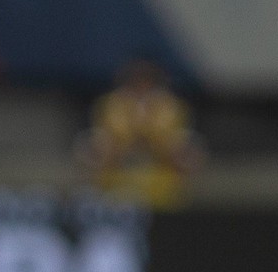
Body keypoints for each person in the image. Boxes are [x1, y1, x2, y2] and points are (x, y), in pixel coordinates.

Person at [78, 58, 206, 209]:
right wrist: (129, 140)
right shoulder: (110, 104)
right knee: (96, 146)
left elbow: (174, 140)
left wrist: (151, 138)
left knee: (185, 149)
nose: (141, 84)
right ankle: (104, 193)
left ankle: (176, 195)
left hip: (161, 171)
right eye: (137, 79)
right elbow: (107, 138)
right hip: (118, 171)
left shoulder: (172, 105)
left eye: (146, 80)